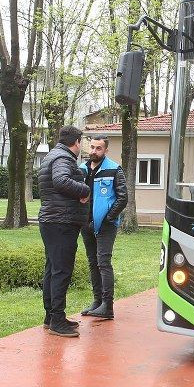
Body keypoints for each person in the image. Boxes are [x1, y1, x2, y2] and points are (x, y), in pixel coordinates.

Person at [37, 125, 90, 337]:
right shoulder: (63, 158)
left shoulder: (52, 155)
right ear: (76, 142)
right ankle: (57, 320)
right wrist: (84, 190)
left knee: (52, 268)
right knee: (61, 271)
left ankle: (51, 317)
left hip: (52, 220)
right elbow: (61, 181)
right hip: (62, 222)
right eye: (81, 142)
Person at [78, 136, 127, 321]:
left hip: (105, 226)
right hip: (86, 224)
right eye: (92, 147)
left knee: (103, 263)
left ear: (105, 151)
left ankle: (108, 306)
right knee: (92, 263)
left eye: (98, 148)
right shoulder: (81, 170)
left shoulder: (114, 169)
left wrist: (109, 218)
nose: (94, 151)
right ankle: (97, 302)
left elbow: (123, 198)